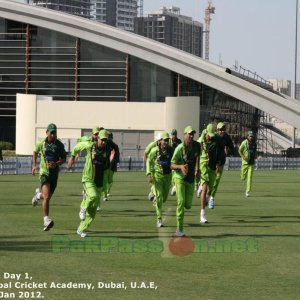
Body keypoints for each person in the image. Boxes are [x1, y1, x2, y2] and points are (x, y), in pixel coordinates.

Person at [67, 129, 110, 237]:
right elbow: (77, 147)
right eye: (102, 139)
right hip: (88, 179)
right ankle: (83, 207)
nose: (103, 142)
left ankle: (81, 229)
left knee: (93, 211)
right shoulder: (90, 146)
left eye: (105, 140)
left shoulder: (107, 150)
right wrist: (72, 157)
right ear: (98, 138)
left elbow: (105, 166)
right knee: (93, 196)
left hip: (99, 181)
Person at [31, 123, 67, 231]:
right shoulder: (42, 143)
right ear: (46, 132)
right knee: (46, 197)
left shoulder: (59, 145)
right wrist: (34, 165)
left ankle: (38, 195)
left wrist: (56, 163)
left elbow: (64, 159)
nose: (52, 134)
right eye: (51, 132)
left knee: (46, 198)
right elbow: (35, 151)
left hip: (54, 174)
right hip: (44, 173)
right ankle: (46, 220)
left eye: (54, 132)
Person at [171, 125, 200, 237]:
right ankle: (179, 229)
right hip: (180, 178)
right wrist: (181, 167)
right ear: (184, 135)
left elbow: (198, 157)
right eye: (189, 134)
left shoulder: (197, 145)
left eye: (192, 134)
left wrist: (198, 170)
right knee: (181, 202)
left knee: (188, 205)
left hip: (190, 179)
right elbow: (172, 165)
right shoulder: (179, 148)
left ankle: (175, 189)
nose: (191, 136)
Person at [146, 131, 173, 228]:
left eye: (167, 140)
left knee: (164, 198)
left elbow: (174, 163)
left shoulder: (171, 150)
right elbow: (149, 161)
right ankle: (159, 218)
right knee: (160, 198)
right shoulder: (155, 151)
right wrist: (149, 173)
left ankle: (153, 192)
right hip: (157, 177)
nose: (165, 142)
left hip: (167, 177)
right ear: (160, 141)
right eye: (164, 140)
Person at [198, 124, 223, 223]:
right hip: (203, 165)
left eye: (213, 135)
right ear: (206, 132)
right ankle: (202, 214)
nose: (211, 137)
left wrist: (218, 164)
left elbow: (220, 153)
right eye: (210, 135)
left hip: (212, 167)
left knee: (210, 190)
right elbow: (196, 154)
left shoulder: (217, 140)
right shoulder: (200, 141)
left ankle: (202, 188)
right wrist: (197, 169)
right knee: (205, 189)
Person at [208, 122, 235, 208]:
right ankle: (202, 188)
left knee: (216, 180)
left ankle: (211, 198)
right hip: (211, 162)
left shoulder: (226, 137)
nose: (222, 131)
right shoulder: (213, 136)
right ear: (217, 130)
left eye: (223, 129)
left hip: (221, 162)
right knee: (208, 180)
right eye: (220, 130)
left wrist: (228, 151)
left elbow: (232, 148)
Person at [101, 131, 120, 202]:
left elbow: (116, 153)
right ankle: (105, 195)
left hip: (112, 164)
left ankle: (106, 192)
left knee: (110, 180)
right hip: (106, 164)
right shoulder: (103, 145)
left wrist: (116, 162)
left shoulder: (114, 145)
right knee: (105, 181)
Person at [239, 131, 257, 197]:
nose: (251, 137)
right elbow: (239, 150)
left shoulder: (255, 144)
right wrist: (243, 157)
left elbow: (254, 153)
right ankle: (242, 176)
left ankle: (247, 191)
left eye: (252, 136)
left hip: (251, 163)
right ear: (247, 136)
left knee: (249, 178)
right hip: (245, 163)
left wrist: (257, 157)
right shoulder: (244, 143)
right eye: (250, 136)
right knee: (243, 178)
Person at [144, 133, 162, 202]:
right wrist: (147, 163)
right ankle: (154, 194)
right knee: (153, 181)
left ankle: (153, 193)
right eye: (160, 140)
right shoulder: (152, 145)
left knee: (156, 181)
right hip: (151, 167)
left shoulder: (161, 147)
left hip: (157, 167)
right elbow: (145, 153)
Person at [169, 129, 182, 196]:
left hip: (177, 160)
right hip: (170, 159)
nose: (174, 136)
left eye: (175, 134)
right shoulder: (169, 141)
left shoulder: (179, 141)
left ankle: (175, 186)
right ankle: (173, 185)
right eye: (173, 134)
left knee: (175, 173)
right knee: (170, 174)